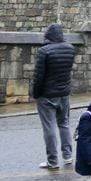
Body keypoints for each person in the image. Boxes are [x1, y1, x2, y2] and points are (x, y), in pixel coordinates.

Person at [31, 23, 76, 170]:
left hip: (47, 95)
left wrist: (35, 94)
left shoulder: (44, 51)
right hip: (64, 94)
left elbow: (39, 76)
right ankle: (68, 156)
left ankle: (53, 160)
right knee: (64, 124)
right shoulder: (70, 49)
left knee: (49, 127)